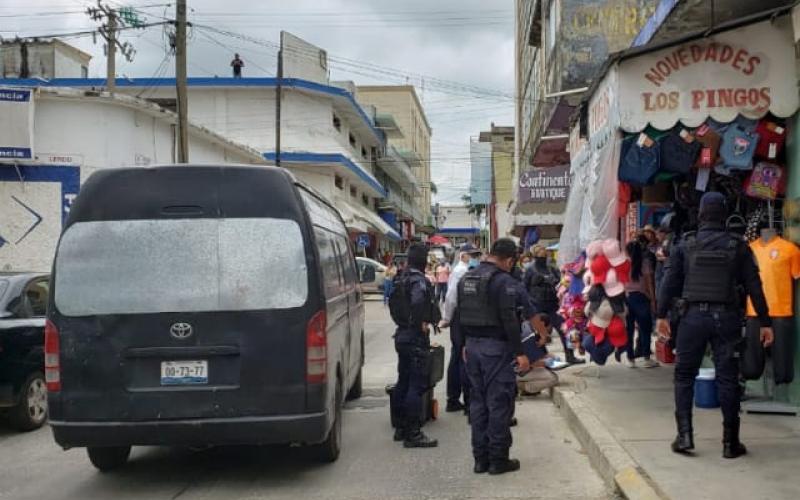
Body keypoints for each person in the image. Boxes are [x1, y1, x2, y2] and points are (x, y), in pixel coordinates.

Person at [656, 192, 774, 459]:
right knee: (728, 378)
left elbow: (669, 283)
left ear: (700, 214)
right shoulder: (738, 246)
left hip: (691, 319)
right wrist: (766, 322)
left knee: (684, 376)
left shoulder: (686, 244)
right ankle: (730, 443)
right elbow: (755, 286)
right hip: (727, 320)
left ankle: (684, 437)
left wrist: (661, 315)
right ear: (725, 214)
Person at [458, 238, 530, 475]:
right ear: (509, 260)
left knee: (478, 404)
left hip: (472, 348)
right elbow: (509, 320)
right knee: (499, 403)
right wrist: (520, 353)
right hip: (495, 350)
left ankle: (480, 459)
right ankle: (498, 460)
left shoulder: (467, 278)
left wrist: (463, 346)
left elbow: (459, 316)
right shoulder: (503, 282)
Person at [388, 243, 441, 448]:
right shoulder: (418, 280)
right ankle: (413, 433)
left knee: (403, 381)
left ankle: (401, 429)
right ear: (423, 259)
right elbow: (419, 302)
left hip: (401, 335)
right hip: (414, 337)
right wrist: (421, 323)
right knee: (416, 385)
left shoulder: (401, 277)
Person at [440, 243, 482, 413]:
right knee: (463, 356)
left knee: (459, 356)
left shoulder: (465, 270)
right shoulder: (461, 271)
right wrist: (447, 318)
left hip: (463, 316)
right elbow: (451, 297)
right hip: (462, 316)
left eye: (477, 255)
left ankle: (455, 398)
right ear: (463, 255)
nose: (476, 259)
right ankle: (464, 399)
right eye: (472, 255)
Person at [524, 245, 584, 365]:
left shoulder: (552, 269)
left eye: (544, 254)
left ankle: (570, 355)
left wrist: (557, 283)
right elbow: (524, 288)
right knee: (536, 333)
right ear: (535, 255)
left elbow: (561, 284)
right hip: (537, 306)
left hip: (552, 305)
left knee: (565, 329)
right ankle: (538, 358)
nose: (543, 256)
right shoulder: (530, 269)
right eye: (540, 254)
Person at [623, 240, 658, 368]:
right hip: (642, 298)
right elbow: (650, 284)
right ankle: (647, 358)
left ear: (627, 251)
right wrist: (653, 301)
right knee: (645, 329)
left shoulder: (623, 264)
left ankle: (630, 359)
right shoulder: (646, 263)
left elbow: (620, 284)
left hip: (626, 298)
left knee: (629, 330)